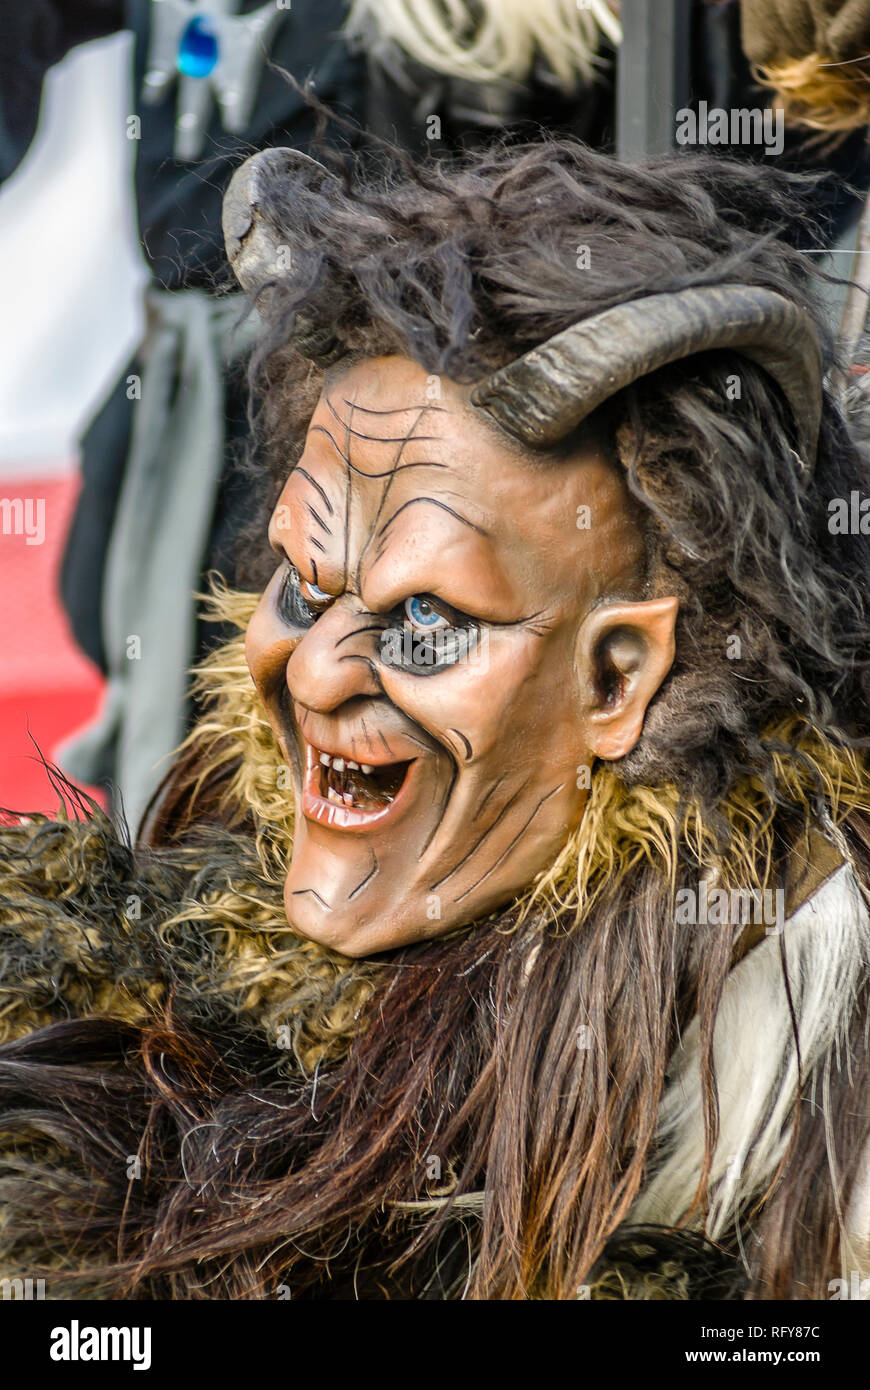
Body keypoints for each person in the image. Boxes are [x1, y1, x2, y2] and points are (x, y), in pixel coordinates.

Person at [1, 136, 868, 1301]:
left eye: (424, 620)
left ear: (619, 678)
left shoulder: (773, 1091)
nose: (312, 677)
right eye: (305, 587)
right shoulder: (169, 908)